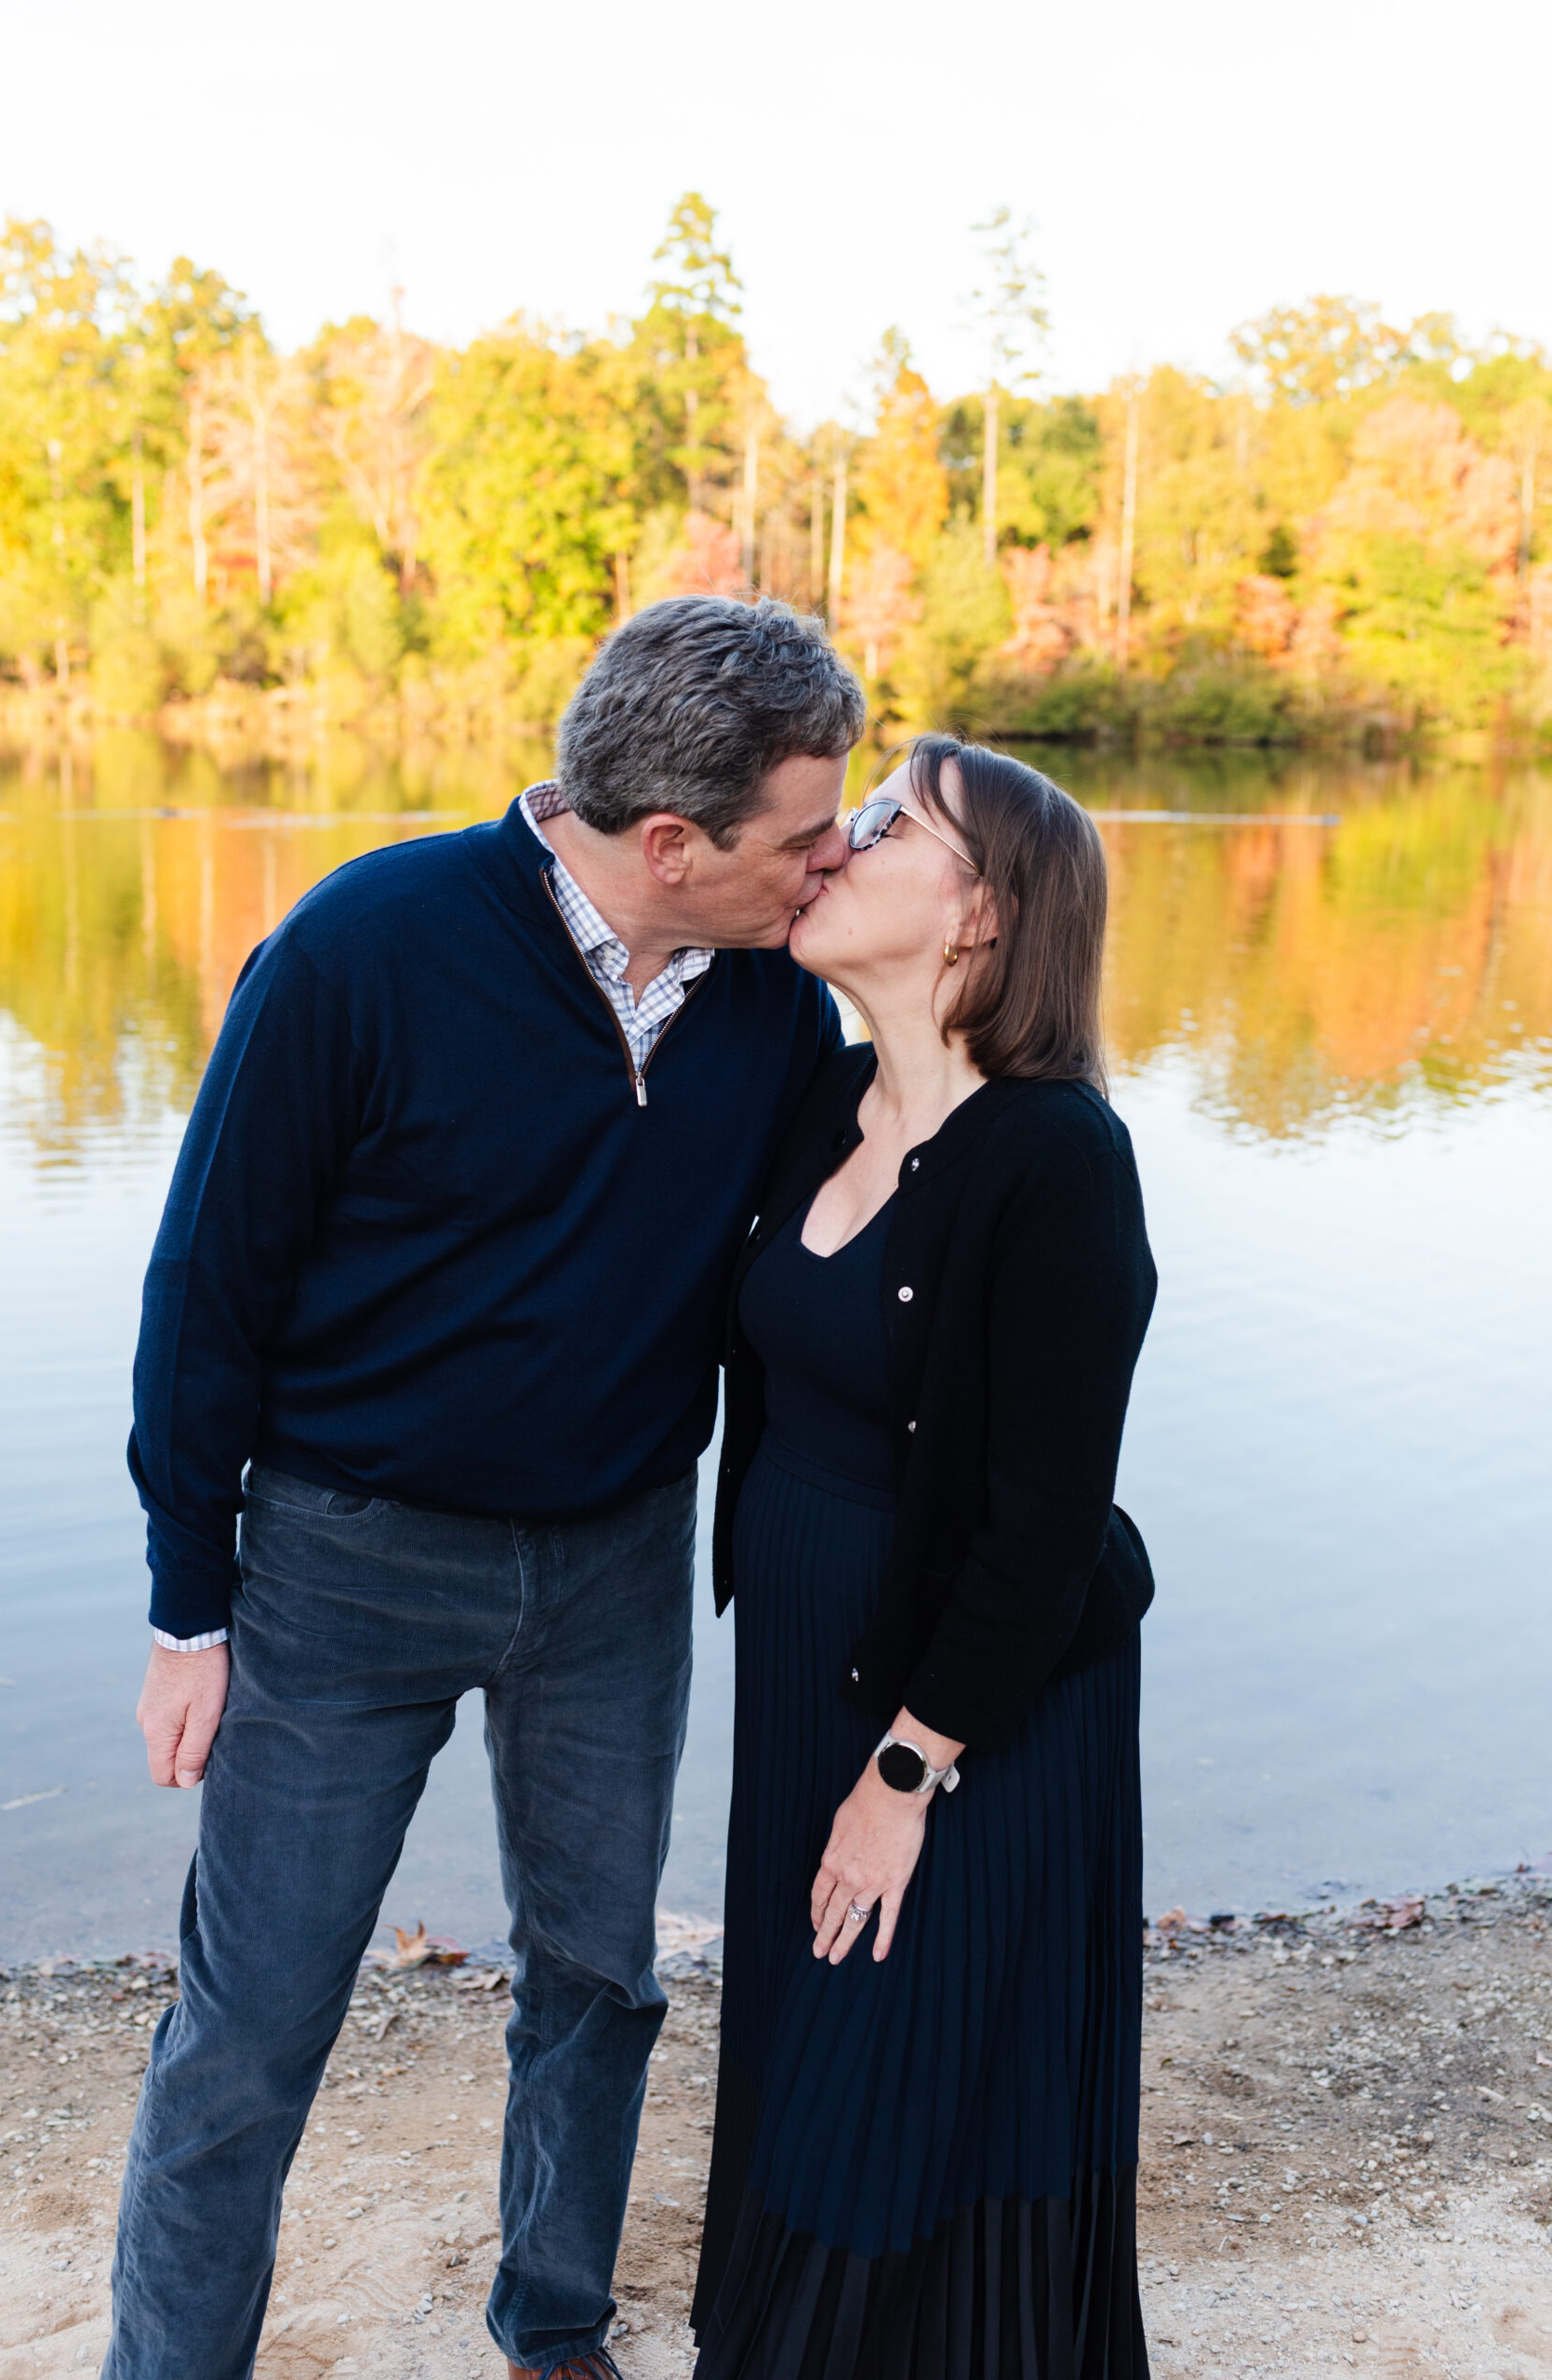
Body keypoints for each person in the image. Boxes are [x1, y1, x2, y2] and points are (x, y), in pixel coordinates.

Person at [106, 595, 865, 2380]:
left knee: (600, 1980)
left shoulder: (771, 998)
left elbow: (847, 1238)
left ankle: (555, 2322)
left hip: (617, 1568)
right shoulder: (364, 947)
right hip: (341, 1567)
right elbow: (207, 1287)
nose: (830, 862)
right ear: (671, 844)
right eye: (804, 835)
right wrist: (187, 1606)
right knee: (252, 2025)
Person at [691, 736, 1158, 2379]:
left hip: (971, 1697)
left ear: (982, 914)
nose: (840, 844)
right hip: (805, 1654)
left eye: (890, 826)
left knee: (904, 2036)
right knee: (814, 2017)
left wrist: (906, 1771)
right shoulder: (823, 1096)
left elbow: (1044, 1528)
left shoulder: (1058, 1159)